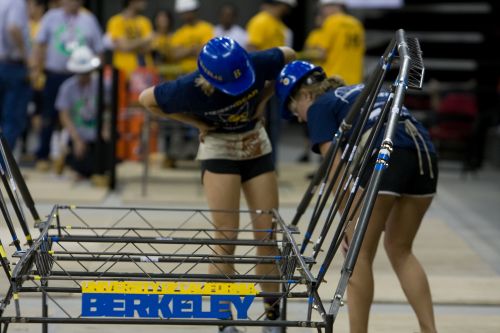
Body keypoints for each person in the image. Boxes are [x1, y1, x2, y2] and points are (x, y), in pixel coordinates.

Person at [140, 37, 295, 333]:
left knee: (267, 234)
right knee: (226, 238)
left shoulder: (257, 62)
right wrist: (197, 124)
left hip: (254, 145)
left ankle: (274, 316)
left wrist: (263, 100)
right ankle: (224, 321)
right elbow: (146, 99)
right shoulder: (188, 87)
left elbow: (289, 54)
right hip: (219, 148)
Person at [276, 61, 438, 333]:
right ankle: (429, 330)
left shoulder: (319, 106)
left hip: (387, 152)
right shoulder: (359, 91)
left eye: (295, 111)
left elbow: (335, 170)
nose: (301, 119)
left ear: (304, 95)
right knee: (400, 249)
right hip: (424, 151)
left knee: (358, 254)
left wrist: (348, 222)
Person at [30, 0, 104, 170]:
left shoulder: (89, 19)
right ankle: (43, 154)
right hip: (54, 74)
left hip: (80, 75)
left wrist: (95, 73)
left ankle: (77, 154)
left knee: (80, 113)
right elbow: (39, 44)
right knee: (48, 116)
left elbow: (99, 49)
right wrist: (36, 69)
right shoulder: (51, 17)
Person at [246, 0, 297, 165]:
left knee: (273, 125)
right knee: (260, 123)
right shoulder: (261, 21)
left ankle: (269, 164)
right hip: (263, 82)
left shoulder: (277, 25)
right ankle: (260, 163)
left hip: (275, 81)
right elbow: (252, 49)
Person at [55, 45, 108, 184]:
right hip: (78, 135)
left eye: (87, 72)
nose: (85, 75)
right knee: (80, 163)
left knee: (103, 162)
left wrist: (106, 127)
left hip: (97, 134)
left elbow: (108, 108)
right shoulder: (67, 87)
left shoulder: (102, 84)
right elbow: (64, 115)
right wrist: (76, 139)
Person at [0, 0, 31, 150]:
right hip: (12, 65)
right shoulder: (16, 2)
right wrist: (26, 56)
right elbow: (13, 28)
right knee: (12, 119)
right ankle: (3, 168)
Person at [313, 0, 365, 85]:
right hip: (355, 81)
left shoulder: (331, 21)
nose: (322, 12)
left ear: (333, 6)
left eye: (323, 8)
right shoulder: (357, 23)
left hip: (334, 80)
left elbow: (321, 54)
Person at [106, 0, 153, 78]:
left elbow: (149, 48)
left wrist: (130, 44)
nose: (145, 2)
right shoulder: (116, 21)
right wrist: (144, 40)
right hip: (124, 74)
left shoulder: (145, 22)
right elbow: (124, 47)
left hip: (145, 74)